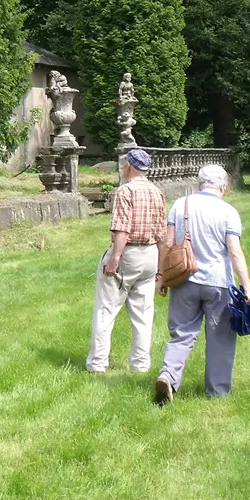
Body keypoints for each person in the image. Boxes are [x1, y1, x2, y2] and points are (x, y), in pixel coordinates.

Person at [154, 164, 250, 404]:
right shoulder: (228, 211)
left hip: (184, 278)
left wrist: (161, 275)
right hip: (218, 283)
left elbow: (167, 243)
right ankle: (217, 392)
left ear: (199, 184)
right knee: (221, 337)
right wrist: (247, 286)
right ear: (223, 186)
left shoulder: (180, 205)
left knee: (181, 334)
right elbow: (235, 252)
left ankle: (168, 376)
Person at [86, 148, 167, 374]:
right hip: (150, 254)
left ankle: (97, 363)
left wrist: (114, 259)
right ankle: (141, 365)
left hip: (128, 253)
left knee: (106, 308)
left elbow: (122, 229)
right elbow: (162, 235)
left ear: (129, 166)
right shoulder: (157, 193)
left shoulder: (125, 192)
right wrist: (161, 267)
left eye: (124, 164)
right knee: (143, 314)